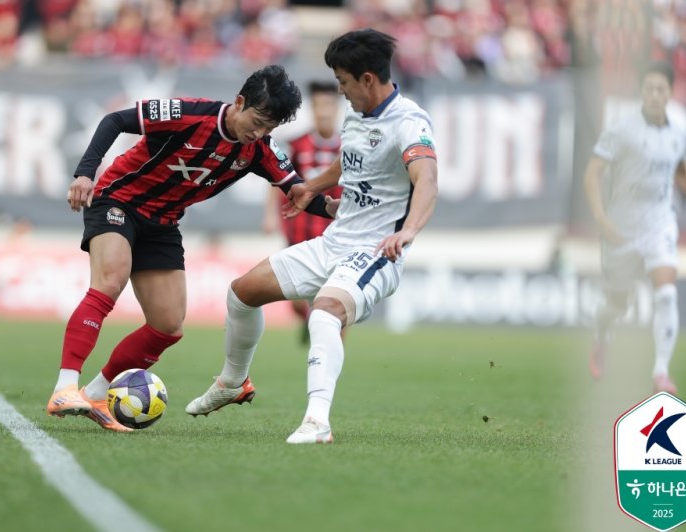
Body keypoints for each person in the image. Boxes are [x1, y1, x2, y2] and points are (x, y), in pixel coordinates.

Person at [46, 65, 336, 432]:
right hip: (118, 201)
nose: (260, 132)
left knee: (167, 326)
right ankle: (64, 387)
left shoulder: (259, 148)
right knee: (109, 283)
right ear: (240, 101)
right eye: (258, 120)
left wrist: (332, 209)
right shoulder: (188, 114)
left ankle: (95, 393)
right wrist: (85, 173)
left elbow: (299, 192)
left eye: (270, 128)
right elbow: (114, 120)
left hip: (163, 222)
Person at [185, 29, 439, 444]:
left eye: (343, 82)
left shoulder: (409, 122)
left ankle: (317, 421)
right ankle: (232, 382)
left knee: (324, 314)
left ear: (367, 79)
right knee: (242, 292)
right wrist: (313, 187)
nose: (341, 91)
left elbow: (426, 179)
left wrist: (408, 231)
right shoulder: (358, 115)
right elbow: (351, 160)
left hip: (376, 251)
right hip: (334, 241)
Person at [584, 61, 686, 394]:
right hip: (622, 225)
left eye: (661, 89)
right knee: (617, 303)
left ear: (670, 91)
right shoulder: (622, 129)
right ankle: (602, 337)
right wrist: (601, 217)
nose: (655, 95)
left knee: (667, 294)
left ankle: (660, 373)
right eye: (649, 88)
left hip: (660, 222)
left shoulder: (681, 126)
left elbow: (681, 170)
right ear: (642, 91)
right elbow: (592, 173)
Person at [262, 80, 342, 344]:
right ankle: (307, 319)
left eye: (328, 105)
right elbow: (279, 179)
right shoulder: (299, 144)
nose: (324, 112)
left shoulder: (349, 146)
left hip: (336, 234)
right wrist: (270, 214)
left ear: (337, 107)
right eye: (318, 106)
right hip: (300, 230)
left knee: (339, 295)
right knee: (295, 300)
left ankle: (331, 345)